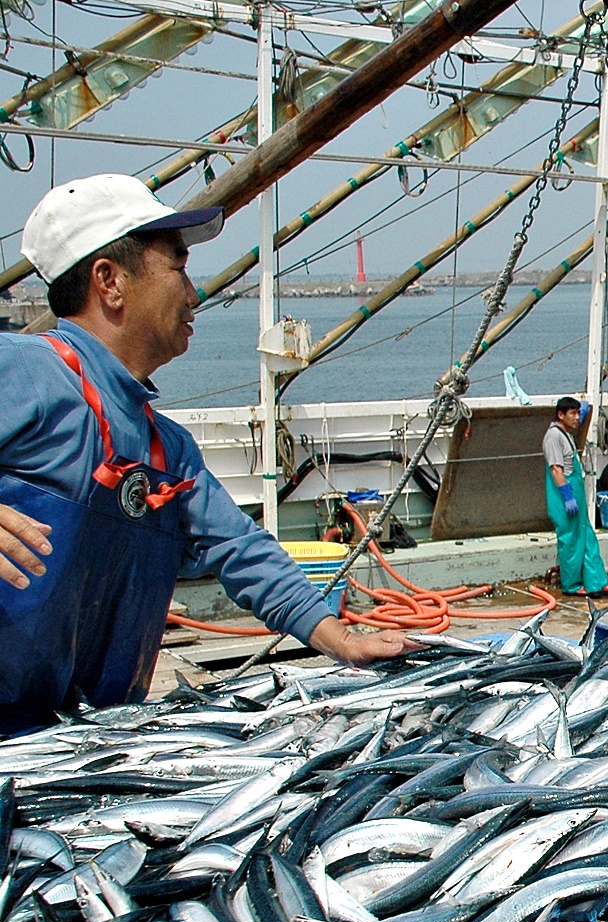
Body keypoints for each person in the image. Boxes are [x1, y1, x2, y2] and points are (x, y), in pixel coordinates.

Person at [0, 174, 411, 734]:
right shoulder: (26, 370)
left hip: (89, 741)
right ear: (110, 281)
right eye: (178, 266)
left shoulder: (169, 448)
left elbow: (240, 548)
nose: (195, 294)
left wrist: (334, 634)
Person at [543, 397, 608, 598]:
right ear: (561, 415)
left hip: (575, 489)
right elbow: (556, 469)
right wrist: (567, 495)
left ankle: (597, 582)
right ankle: (572, 585)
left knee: (586, 536)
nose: (578, 418)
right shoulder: (553, 437)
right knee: (570, 540)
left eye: (579, 413)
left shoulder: (566, 433)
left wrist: (584, 409)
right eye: (573, 414)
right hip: (564, 494)